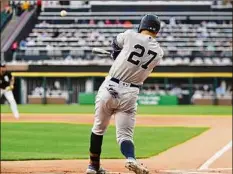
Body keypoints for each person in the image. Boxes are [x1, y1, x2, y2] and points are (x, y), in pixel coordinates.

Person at [86, 14, 163, 174]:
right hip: (130, 92)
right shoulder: (158, 52)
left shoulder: (129, 35)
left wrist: (116, 54)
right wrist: (120, 55)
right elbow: (138, 63)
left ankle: (93, 166)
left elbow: (115, 42)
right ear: (157, 31)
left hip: (110, 86)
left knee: (98, 129)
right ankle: (131, 158)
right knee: (124, 135)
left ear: (142, 25)